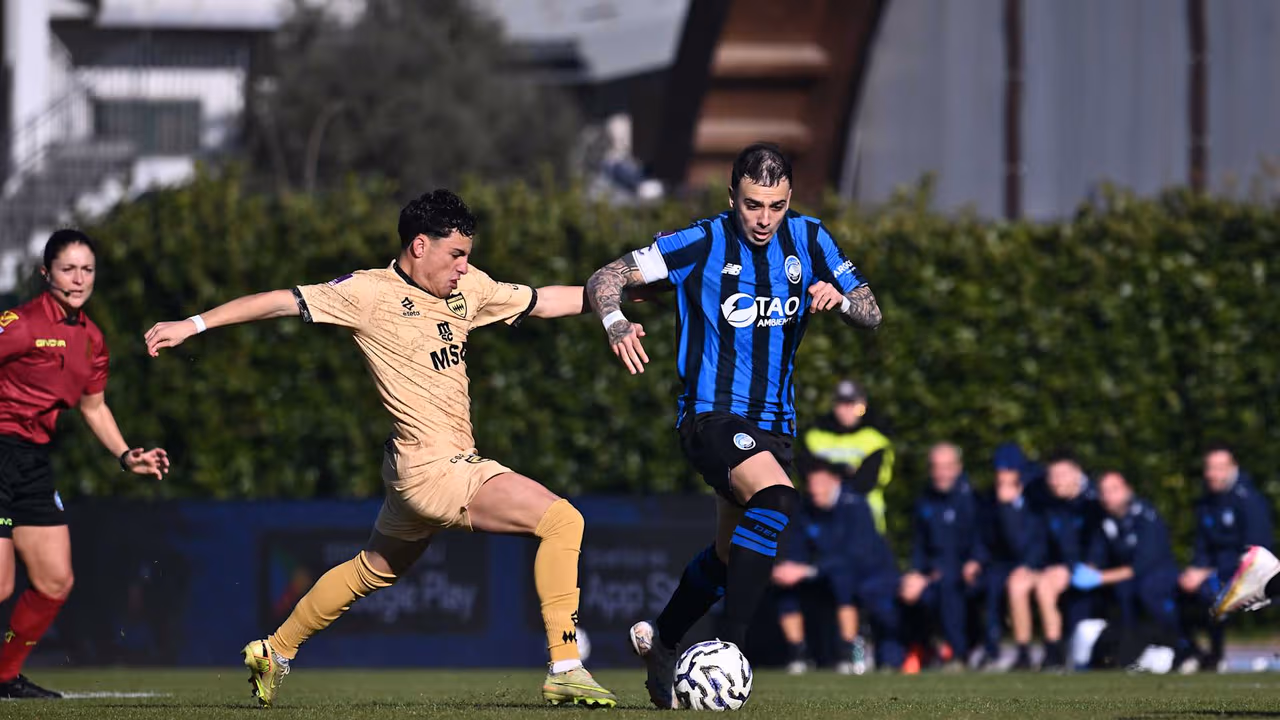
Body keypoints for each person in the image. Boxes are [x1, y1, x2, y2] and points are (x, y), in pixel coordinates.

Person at [145, 190, 618, 708]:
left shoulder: (469, 289)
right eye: (456, 254)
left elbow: (545, 300)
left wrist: (616, 296)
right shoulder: (367, 293)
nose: (465, 266)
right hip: (437, 469)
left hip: (412, 469)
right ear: (420, 245)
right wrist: (192, 325)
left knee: (374, 568)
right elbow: (280, 300)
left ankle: (274, 650)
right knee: (562, 521)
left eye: (467, 255)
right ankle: (566, 664)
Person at [584, 142, 881, 708]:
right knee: (776, 498)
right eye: (752, 206)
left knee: (729, 557)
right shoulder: (701, 241)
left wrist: (838, 299)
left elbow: (871, 310)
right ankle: (732, 647)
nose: (764, 219)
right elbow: (608, 276)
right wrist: (616, 321)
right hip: (711, 416)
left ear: (790, 200)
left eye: (775, 206)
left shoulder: (812, 239)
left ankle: (665, 641)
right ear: (732, 198)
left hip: (775, 427)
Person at [0, 230, 169, 700]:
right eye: (68, 269)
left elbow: (94, 408)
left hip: (32, 461)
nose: (78, 279)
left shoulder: (92, 339)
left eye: (87, 269)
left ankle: (3, 677)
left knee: (55, 580)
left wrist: (125, 455)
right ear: (45, 273)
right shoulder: (19, 323)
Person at [772, 458, 903, 675]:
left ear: (834, 481)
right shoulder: (806, 509)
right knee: (785, 588)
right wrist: (787, 569)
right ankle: (798, 655)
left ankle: (847, 653)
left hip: (865, 575)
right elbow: (797, 547)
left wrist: (807, 570)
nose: (815, 489)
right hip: (823, 573)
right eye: (811, 483)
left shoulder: (856, 505)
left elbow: (855, 556)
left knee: (843, 580)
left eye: (820, 483)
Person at [1178, 444, 1272, 671]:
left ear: (1233, 468)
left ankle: (1216, 656)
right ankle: (1190, 651)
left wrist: (1208, 572)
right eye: (1209, 468)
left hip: (1248, 572)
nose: (1212, 474)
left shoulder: (1249, 500)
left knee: (1211, 589)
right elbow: (1202, 546)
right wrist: (1195, 569)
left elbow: (1256, 553)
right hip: (1217, 569)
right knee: (1173, 589)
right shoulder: (1207, 503)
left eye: (1219, 468)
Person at [1073, 471, 1181, 666]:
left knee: (1143, 594)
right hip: (1125, 583)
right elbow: (1096, 556)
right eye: (1103, 491)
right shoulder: (1104, 520)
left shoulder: (1146, 517)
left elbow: (1140, 566)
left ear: (1127, 490)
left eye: (1114, 490)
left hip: (1155, 580)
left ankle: (1176, 647)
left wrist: (1099, 577)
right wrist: (1084, 572)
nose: (1108, 496)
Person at [898, 443, 983, 672]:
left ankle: (958, 652)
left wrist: (972, 563)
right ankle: (915, 651)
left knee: (948, 588)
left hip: (965, 572)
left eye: (947, 467)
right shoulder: (924, 499)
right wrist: (916, 572)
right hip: (933, 571)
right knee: (902, 590)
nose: (941, 473)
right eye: (936, 467)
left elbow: (980, 543)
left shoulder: (972, 499)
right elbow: (919, 544)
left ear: (958, 468)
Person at [977, 443, 1044, 670]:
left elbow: (1026, 542)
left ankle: (1026, 650)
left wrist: (1008, 509)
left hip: (1033, 561)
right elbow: (986, 538)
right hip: (1002, 563)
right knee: (990, 585)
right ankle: (990, 648)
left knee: (1016, 585)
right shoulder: (991, 499)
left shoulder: (1035, 496)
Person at [799, 379, 894, 534]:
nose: (846, 410)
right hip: (821, 524)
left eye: (852, 404)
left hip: (865, 525)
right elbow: (806, 472)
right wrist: (846, 470)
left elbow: (866, 482)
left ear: (863, 405)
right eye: (841, 404)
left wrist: (828, 470)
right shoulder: (816, 436)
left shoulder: (875, 439)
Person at [1034, 452, 1100, 670]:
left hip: (1093, 569)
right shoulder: (1049, 505)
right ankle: (1053, 650)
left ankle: (1058, 652)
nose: (1055, 481)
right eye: (1051, 476)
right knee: (1036, 582)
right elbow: (1042, 544)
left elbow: (1098, 544)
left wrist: (1077, 567)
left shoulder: (1093, 503)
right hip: (1062, 569)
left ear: (1077, 475)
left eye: (1061, 475)